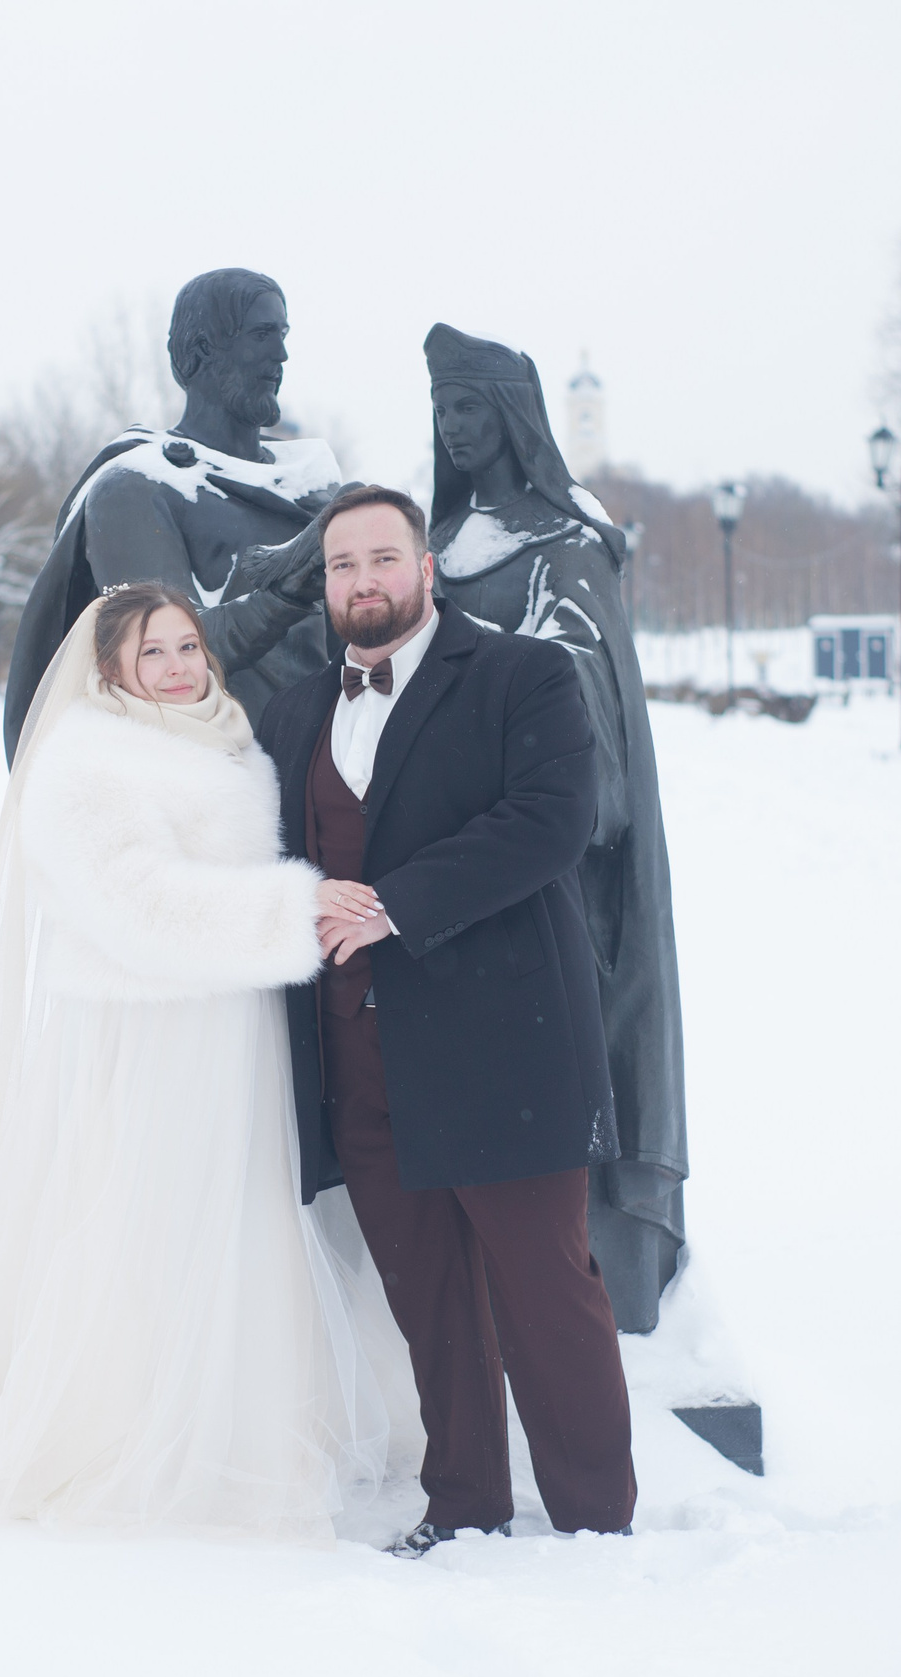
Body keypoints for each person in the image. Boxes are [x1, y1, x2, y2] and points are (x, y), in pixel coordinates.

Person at [0, 582, 404, 1541]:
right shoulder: (85, 763)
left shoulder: (224, 735)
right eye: (154, 654)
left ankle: (243, 1415)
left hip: (234, 1027)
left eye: (188, 647)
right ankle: (135, 1428)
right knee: (152, 1220)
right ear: (109, 669)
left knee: (240, 1214)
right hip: (153, 1032)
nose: (179, 668)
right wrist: (286, 911)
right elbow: (135, 900)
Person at [255, 483, 638, 1555]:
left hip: (506, 1049)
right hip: (359, 1059)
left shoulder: (524, 676)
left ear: (426, 569)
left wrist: (389, 906)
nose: (363, 580)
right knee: (429, 1304)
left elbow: (552, 824)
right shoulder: (295, 713)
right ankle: (463, 1505)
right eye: (342, 566)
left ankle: (594, 1525)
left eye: (383, 558)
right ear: (324, 583)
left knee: (546, 1297)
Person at [421, 323, 689, 1333]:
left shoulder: (566, 549)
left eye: (469, 408)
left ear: (513, 417)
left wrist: (460, 661)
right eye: (440, 409)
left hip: (553, 873)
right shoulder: (435, 551)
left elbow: (585, 707)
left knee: (564, 1077)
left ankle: (580, 1282)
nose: (451, 429)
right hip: (447, 873)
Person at [2, 269, 340, 761]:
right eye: (262, 335)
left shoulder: (312, 485)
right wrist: (289, 590)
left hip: (325, 774)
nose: (281, 356)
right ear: (201, 351)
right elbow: (169, 656)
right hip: (209, 783)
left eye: (283, 335)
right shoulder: (135, 488)